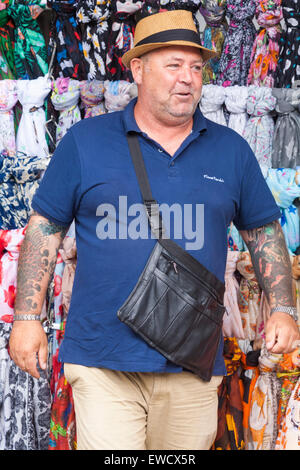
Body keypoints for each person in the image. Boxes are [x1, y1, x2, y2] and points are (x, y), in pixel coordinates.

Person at [9, 9, 300, 450]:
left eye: (196, 67)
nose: (188, 78)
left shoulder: (231, 150)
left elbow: (264, 232)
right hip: (103, 360)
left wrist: (283, 308)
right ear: (139, 70)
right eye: (174, 65)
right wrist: (27, 317)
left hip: (192, 364)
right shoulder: (85, 142)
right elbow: (44, 229)